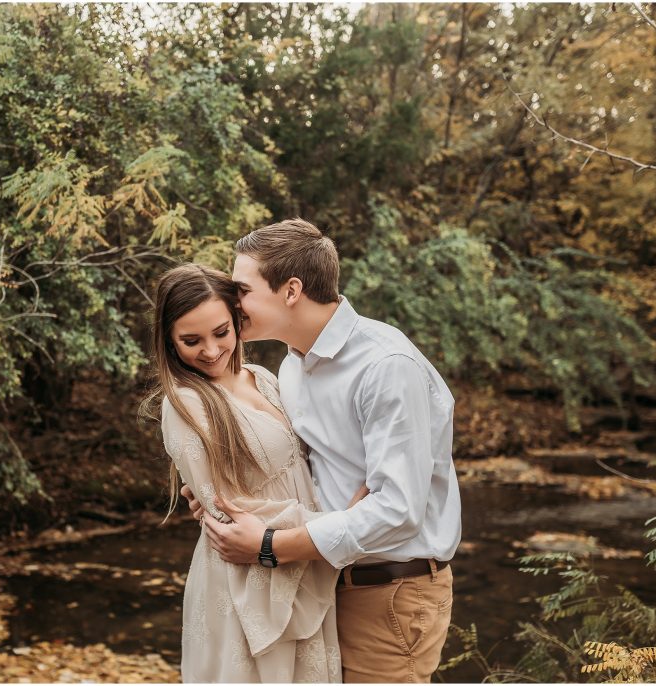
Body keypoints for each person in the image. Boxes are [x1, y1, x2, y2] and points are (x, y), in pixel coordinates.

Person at [182, 219, 462, 683]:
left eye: (242, 290)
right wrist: (217, 495)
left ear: (291, 290)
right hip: (324, 584)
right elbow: (298, 468)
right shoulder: (293, 365)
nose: (232, 304)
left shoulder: (385, 366)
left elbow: (398, 510)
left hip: (388, 592)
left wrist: (270, 547)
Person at [142, 264, 369, 683]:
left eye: (221, 333)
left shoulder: (263, 378)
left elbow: (312, 459)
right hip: (250, 578)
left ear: (237, 320)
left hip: (296, 559)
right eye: (191, 341)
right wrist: (340, 526)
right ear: (170, 341)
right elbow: (230, 510)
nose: (210, 351)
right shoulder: (186, 403)